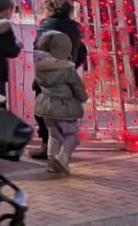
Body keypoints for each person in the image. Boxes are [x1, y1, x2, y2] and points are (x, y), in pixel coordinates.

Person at [28, 0, 86, 161]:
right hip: (67, 74)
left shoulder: (47, 25)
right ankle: (61, 150)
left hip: (49, 77)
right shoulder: (74, 27)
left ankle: (48, 148)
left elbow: (39, 49)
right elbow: (82, 50)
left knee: (45, 113)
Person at [32, 29, 87, 175]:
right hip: (65, 107)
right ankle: (62, 160)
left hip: (46, 105)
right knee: (72, 136)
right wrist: (83, 97)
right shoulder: (67, 69)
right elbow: (77, 86)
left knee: (54, 135)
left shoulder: (40, 67)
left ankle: (51, 162)